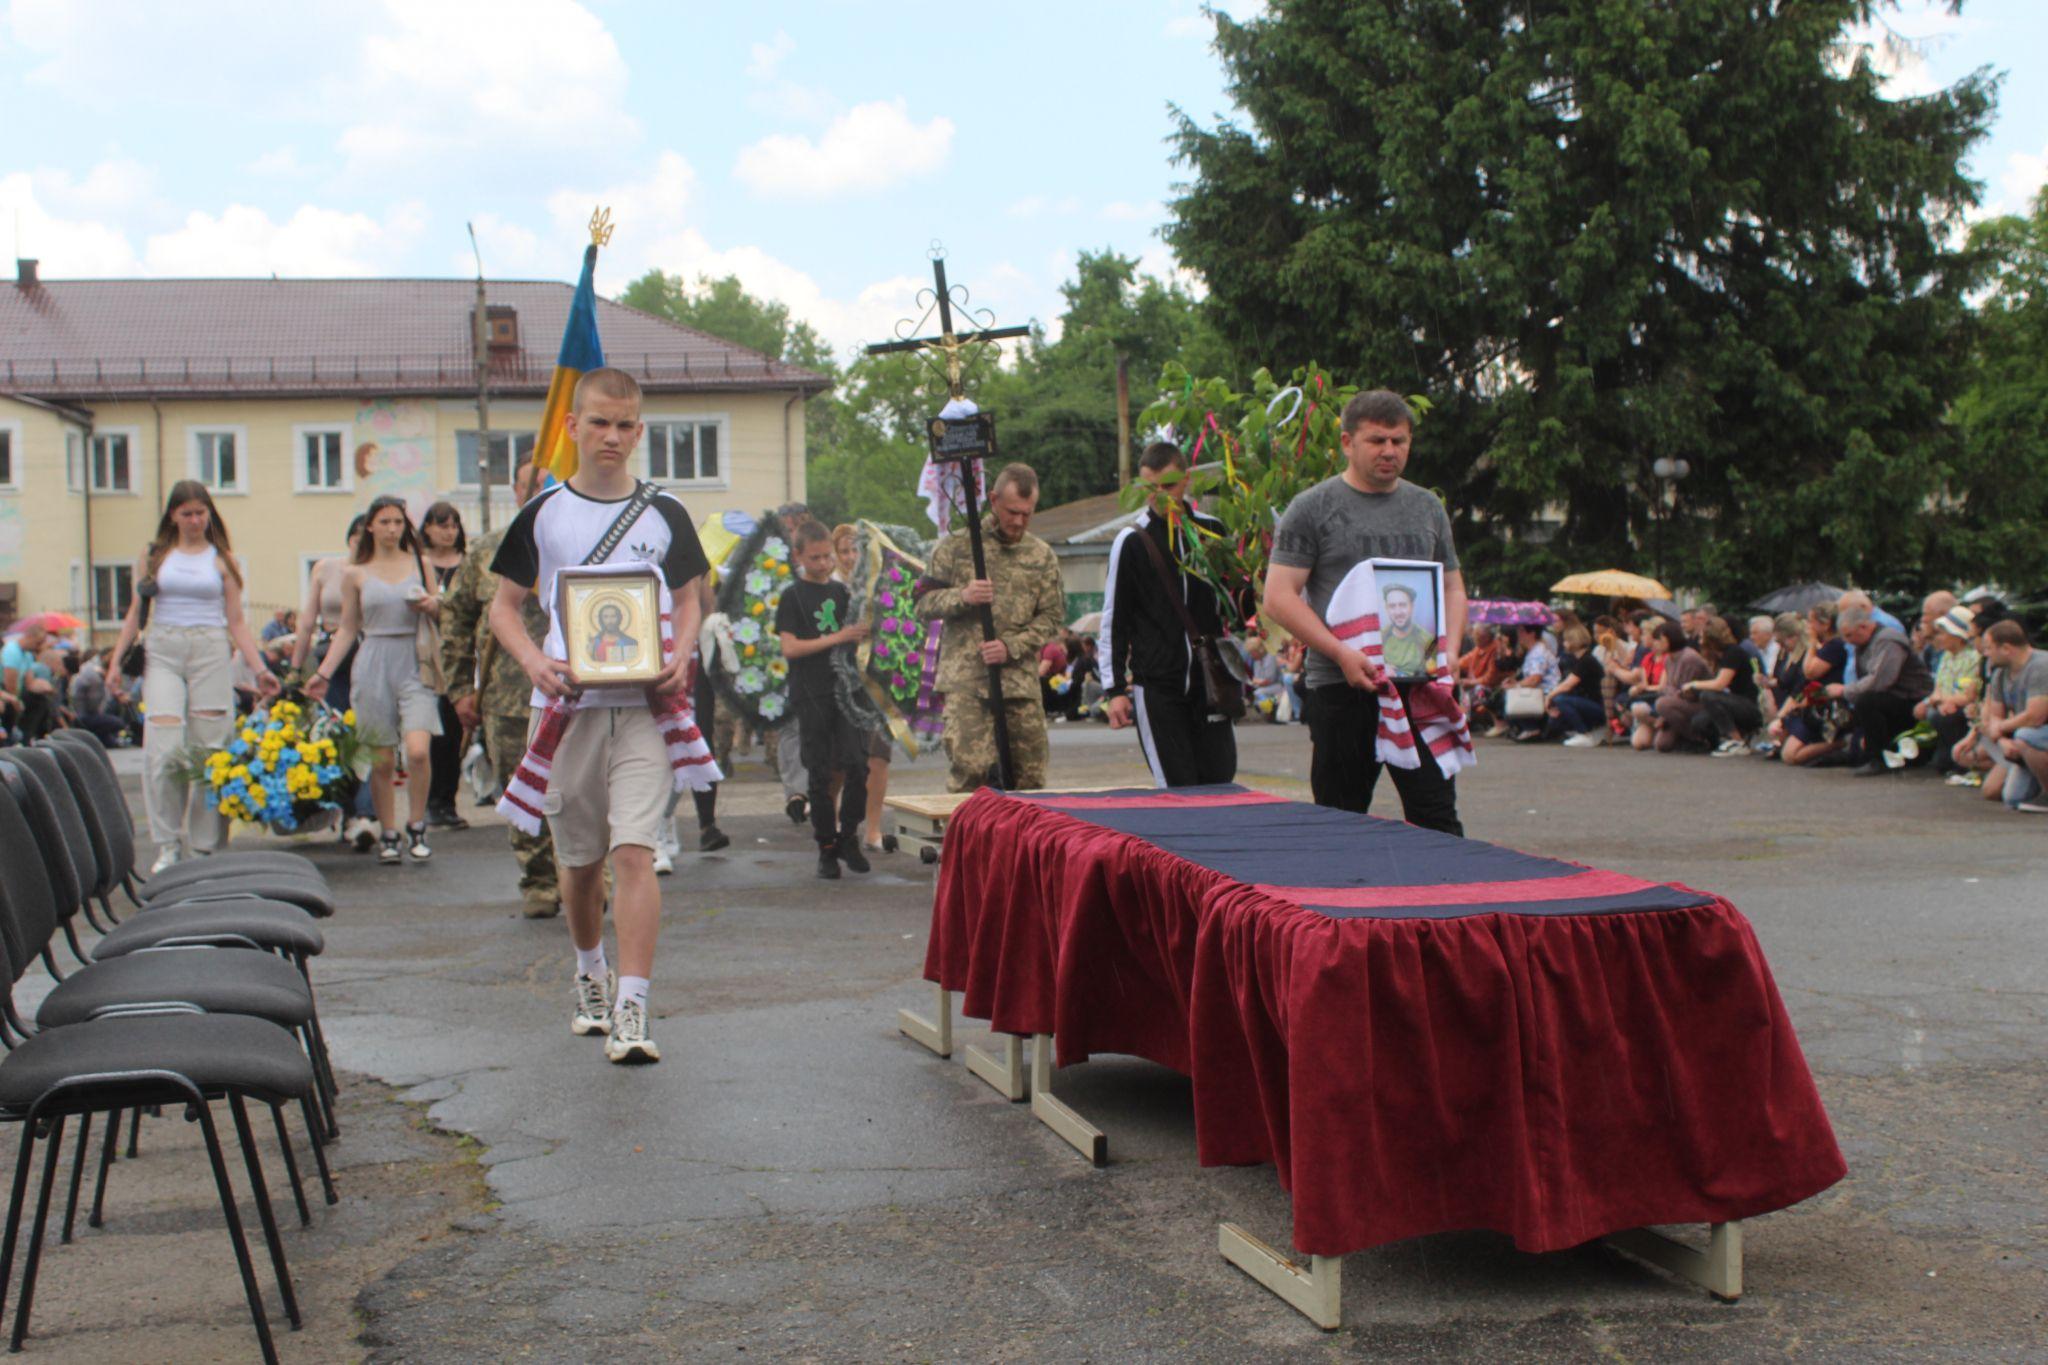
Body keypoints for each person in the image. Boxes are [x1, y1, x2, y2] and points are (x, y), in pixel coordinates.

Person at [487, 366, 712, 1065]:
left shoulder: (665, 512)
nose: (611, 436)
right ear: (571, 428)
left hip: (646, 707)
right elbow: (503, 606)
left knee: (635, 851)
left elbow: (689, 597)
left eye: (624, 425)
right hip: (565, 709)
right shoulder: (542, 514)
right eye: (598, 423)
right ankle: (590, 972)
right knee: (581, 863)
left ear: (639, 430)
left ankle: (633, 1007)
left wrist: (684, 648)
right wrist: (533, 661)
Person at [1263, 389, 1468, 833]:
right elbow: (1278, 596)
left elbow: (1452, 586)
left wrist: (1447, 651)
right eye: (1377, 440)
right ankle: (1340, 904)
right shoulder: (1312, 507)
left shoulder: (1427, 506)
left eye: (1400, 440)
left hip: (1420, 685)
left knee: (1438, 819)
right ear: (1346, 442)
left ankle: (1451, 902)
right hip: (1342, 685)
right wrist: (1339, 652)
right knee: (1340, 820)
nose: (1390, 451)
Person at [105, 480, 280, 873]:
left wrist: (260, 669)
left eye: (201, 512)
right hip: (163, 648)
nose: (195, 520)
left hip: (210, 649)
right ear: (173, 515)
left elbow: (237, 622)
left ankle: (206, 845)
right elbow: (135, 613)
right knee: (163, 746)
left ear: (209, 514)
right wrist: (116, 662)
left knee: (211, 747)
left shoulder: (223, 560)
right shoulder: (154, 557)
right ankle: (168, 842)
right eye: (187, 513)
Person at [441, 459, 560, 917]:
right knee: (521, 789)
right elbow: (456, 620)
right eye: (529, 483)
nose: (537, 490)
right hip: (507, 694)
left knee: (584, 792)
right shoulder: (490, 552)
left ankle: (590, 876)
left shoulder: (581, 546)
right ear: (513, 490)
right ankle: (539, 882)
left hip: (577, 693)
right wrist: (459, 688)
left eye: (548, 483)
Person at [307, 495, 444, 862]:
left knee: (417, 749)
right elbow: (348, 628)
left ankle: (416, 824)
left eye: (398, 522)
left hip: (415, 659)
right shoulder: (356, 573)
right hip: (373, 659)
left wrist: (431, 605)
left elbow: (441, 611)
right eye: (384, 522)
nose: (392, 529)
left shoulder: (421, 563)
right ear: (370, 526)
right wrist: (323, 673)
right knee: (381, 759)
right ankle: (388, 831)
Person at [916, 463, 1065, 792]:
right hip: (967, 680)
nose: (1019, 521)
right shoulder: (956, 548)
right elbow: (922, 603)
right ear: (994, 499)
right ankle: (969, 843)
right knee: (972, 770)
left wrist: (1011, 646)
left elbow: (1052, 617)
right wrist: (963, 596)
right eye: (1012, 512)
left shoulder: (1041, 555)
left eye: (1028, 513)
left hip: (1019, 684)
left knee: (1030, 779)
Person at [1101, 441, 1240, 786]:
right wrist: (1114, 688)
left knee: (1220, 780)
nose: (1160, 496)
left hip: (1210, 681)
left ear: (1186, 480)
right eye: (1151, 489)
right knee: (1177, 787)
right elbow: (1114, 619)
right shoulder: (1132, 540)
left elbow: (1235, 599)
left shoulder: (1213, 531)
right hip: (1159, 685)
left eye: (1168, 486)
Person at [778, 520, 875, 878]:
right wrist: (837, 637)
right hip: (811, 692)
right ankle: (826, 847)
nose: (823, 564)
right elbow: (789, 647)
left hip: (845, 691)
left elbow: (858, 636)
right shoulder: (792, 596)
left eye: (826, 557)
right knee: (818, 772)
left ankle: (849, 834)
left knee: (857, 764)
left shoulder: (842, 592)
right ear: (799, 556)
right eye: (815, 558)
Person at [294, 514, 379, 852]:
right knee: (335, 734)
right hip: (332, 654)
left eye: (365, 535)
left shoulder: (379, 570)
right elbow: (305, 621)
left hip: (368, 653)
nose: (360, 540)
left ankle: (364, 814)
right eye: (356, 534)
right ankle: (347, 812)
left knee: (367, 735)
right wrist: (295, 667)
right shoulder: (327, 568)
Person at [1827, 602, 1933, 775]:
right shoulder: (1867, 642)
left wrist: (1844, 690)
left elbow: (1881, 680)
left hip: (1912, 698)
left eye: (1849, 635)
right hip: (1895, 697)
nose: (1848, 642)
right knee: (1864, 702)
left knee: (1866, 701)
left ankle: (1877, 759)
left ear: (1863, 626)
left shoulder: (1888, 640)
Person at [1957, 620, 2048, 811]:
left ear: (2006, 648)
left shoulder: (2040, 666)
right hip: (2027, 741)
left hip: (2037, 734)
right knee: (2013, 799)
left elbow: (2035, 716)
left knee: (2025, 735)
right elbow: (1995, 717)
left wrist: (2001, 729)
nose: (1985, 653)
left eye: (1989, 648)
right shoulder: (2000, 674)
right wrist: (2002, 740)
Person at [419, 501, 471, 832]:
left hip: (461, 656)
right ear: (427, 528)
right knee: (431, 733)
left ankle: (447, 800)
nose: (448, 531)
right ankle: (430, 801)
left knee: (455, 732)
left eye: (453, 525)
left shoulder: (466, 564)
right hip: (428, 655)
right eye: (441, 525)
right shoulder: (420, 564)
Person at [1919, 606, 1982, 777]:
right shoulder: (1945, 656)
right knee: (1927, 712)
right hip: (1945, 704)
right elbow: (1938, 688)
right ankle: (1944, 757)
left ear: (1957, 636)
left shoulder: (1974, 658)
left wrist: (1945, 701)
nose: (1938, 637)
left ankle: (1957, 760)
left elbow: (1969, 695)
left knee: (1943, 716)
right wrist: (1934, 701)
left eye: (1942, 633)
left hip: (1966, 707)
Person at [1688, 618, 1766, 756]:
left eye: (1702, 636)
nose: (1699, 640)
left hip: (1748, 705)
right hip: (1732, 702)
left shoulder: (1733, 652)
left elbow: (1720, 684)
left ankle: (1737, 741)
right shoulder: (1717, 656)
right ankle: (1722, 742)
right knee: (1699, 722)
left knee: (1708, 696)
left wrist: (1694, 684)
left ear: (1711, 637)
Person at [1546, 624, 1607, 745]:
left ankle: (1583, 733)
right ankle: (1579, 730)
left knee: (1561, 700)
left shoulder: (1586, 661)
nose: (1564, 644)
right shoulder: (1580, 660)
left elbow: (1568, 684)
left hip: (1597, 706)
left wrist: (1549, 696)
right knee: (1554, 720)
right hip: (1588, 702)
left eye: (1566, 640)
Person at [0, 623, 59, 742]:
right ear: (30, 637)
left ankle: (32, 735)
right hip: (6, 690)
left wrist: (44, 686)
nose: (39, 646)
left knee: (41, 699)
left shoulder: (27, 655)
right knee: (12, 706)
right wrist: (16, 700)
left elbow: (29, 681)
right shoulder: (12, 651)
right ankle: (15, 737)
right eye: (38, 642)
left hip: (17, 690)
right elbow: (9, 681)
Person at [1506, 621, 1560, 740]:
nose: (1518, 635)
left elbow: (1535, 679)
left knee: (1508, 694)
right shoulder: (1533, 651)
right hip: (1539, 690)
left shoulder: (1538, 652)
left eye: (1522, 632)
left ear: (1532, 634)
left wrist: (1516, 685)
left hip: (1545, 691)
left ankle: (1531, 727)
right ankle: (1525, 727)